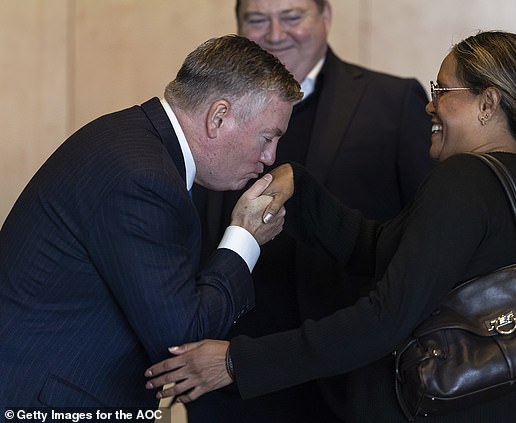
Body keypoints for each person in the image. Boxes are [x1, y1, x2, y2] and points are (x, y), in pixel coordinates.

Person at [146, 31, 516, 422]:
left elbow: (383, 320)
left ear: (488, 104)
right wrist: (300, 185)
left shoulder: (465, 179)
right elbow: (383, 251)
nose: (430, 104)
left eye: (443, 90)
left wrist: (237, 362)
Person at [0, 35, 301, 409]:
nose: (270, 157)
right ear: (218, 117)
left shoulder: (136, 142)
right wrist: (245, 238)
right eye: (268, 137)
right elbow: (182, 341)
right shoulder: (144, 177)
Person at [192, 0, 433, 421]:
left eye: (291, 17)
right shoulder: (211, 108)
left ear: (325, 17)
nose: (274, 33)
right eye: (257, 19)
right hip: (232, 381)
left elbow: (424, 236)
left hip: (352, 378)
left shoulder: (392, 102)